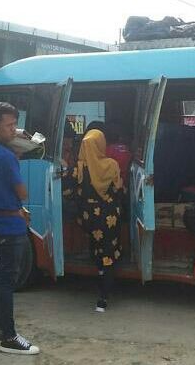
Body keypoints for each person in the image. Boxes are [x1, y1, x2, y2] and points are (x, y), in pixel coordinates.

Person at [0, 102, 39, 355]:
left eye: (15, 124)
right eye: (9, 125)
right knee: (7, 280)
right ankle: (9, 336)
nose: (13, 130)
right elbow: (23, 193)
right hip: (10, 226)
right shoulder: (5, 156)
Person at [74, 129, 124, 313]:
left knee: (97, 249)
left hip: (90, 219)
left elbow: (69, 192)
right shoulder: (112, 165)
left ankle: (101, 278)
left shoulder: (79, 168)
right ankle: (103, 297)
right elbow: (119, 190)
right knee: (109, 253)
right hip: (109, 217)